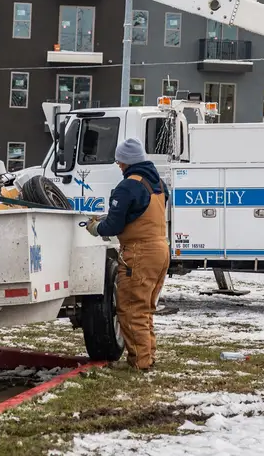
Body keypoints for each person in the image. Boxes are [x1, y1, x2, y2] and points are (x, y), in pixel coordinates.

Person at [85, 138, 170, 371]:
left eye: (119, 161)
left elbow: (113, 226)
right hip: (160, 249)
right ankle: (147, 355)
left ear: (127, 161)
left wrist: (96, 227)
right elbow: (138, 214)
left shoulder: (127, 186)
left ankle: (140, 363)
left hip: (139, 252)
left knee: (131, 308)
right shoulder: (158, 183)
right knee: (145, 308)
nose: (118, 165)